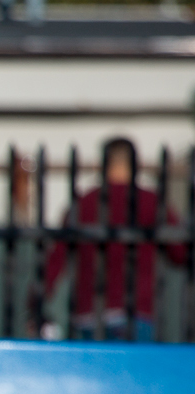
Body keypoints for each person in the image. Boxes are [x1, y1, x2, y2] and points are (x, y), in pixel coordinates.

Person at [42, 137, 187, 342]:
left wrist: (38, 302)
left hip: (87, 313)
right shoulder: (151, 203)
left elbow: (56, 259)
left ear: (103, 164)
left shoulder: (82, 204)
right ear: (135, 164)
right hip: (136, 311)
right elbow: (180, 253)